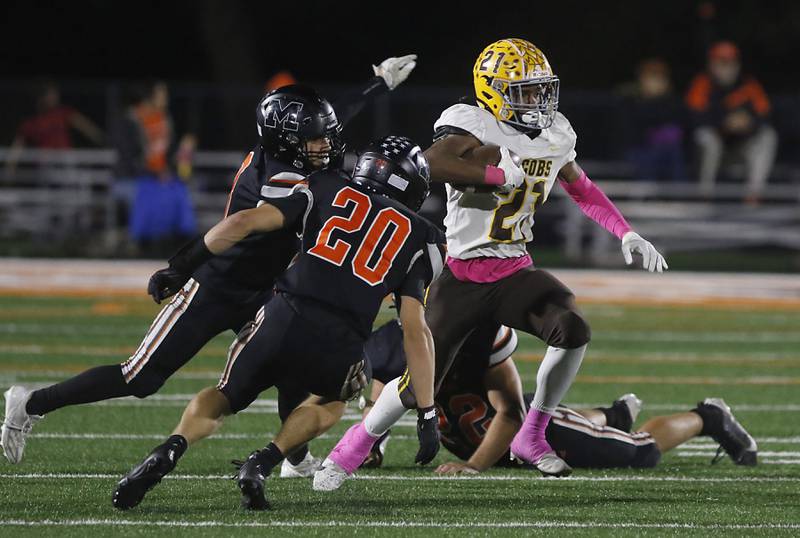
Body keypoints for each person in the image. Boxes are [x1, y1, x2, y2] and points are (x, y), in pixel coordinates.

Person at [2, 53, 416, 467]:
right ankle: (31, 403)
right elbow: (236, 225)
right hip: (217, 286)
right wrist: (180, 267)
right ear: (288, 142)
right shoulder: (279, 180)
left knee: (290, 363)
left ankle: (294, 456)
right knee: (141, 378)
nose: (325, 146)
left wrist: (376, 83)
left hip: (264, 290)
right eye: (314, 140)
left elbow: (334, 117)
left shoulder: (289, 153)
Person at [314, 38, 667, 491]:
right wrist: (499, 174)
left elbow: (582, 188)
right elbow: (431, 163)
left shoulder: (555, 132)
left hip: (514, 269)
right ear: (493, 90)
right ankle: (347, 454)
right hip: (461, 274)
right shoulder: (471, 121)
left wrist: (626, 231)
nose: (536, 101)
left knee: (573, 328)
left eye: (540, 89)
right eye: (523, 90)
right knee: (416, 383)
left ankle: (532, 437)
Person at [113, 135, 444, 511]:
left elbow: (243, 221)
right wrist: (428, 412)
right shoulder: (425, 238)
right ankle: (264, 461)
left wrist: (181, 266)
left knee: (224, 395)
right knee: (334, 401)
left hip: (280, 313)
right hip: (339, 338)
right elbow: (415, 330)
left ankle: (172, 447)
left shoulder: (324, 185)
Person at [362, 320, 758, 473]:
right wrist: (370, 446)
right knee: (577, 423)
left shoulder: (478, 336)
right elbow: (381, 400)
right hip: (484, 436)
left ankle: (708, 416)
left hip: (527, 433)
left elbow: (512, 413)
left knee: (640, 453)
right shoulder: (397, 341)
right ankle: (613, 414)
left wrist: (474, 466)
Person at [686, 41, 778, 203]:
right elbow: (693, 118)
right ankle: (704, 197)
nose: (726, 68)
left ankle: (753, 196)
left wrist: (749, 122)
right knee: (705, 137)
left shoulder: (749, 84)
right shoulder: (702, 84)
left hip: (741, 150)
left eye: (730, 63)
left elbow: (766, 115)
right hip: (713, 152)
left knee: (768, 136)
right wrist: (724, 122)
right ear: (712, 64)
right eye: (721, 63)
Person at [5, 81, 104, 178]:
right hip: (46, 165)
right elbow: (17, 147)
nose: (55, 97)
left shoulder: (63, 113)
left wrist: (101, 138)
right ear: (41, 97)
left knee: (82, 179)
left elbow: (85, 126)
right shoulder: (31, 123)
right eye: (51, 94)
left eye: (55, 94)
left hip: (66, 162)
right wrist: (10, 168)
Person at [622, 59, 686, 182]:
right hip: (640, 151)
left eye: (660, 79)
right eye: (651, 78)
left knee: (672, 152)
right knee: (647, 159)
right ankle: (646, 199)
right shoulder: (631, 102)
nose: (655, 83)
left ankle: (678, 197)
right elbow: (631, 136)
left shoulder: (674, 103)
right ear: (642, 80)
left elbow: (681, 130)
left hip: (668, 154)